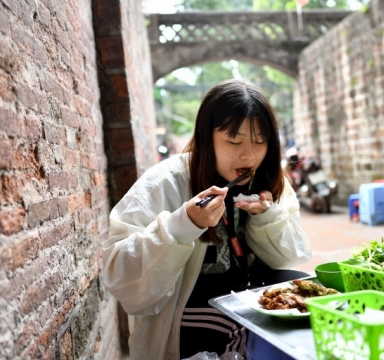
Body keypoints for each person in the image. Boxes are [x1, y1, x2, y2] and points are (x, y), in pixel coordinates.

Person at [102, 79, 312, 360]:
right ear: (206, 137)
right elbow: (121, 279)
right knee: (247, 331)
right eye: (234, 140)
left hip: (249, 292)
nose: (248, 154)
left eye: (259, 142)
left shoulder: (270, 183)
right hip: (184, 309)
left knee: (309, 299)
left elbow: (289, 258)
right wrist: (183, 224)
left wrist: (268, 219)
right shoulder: (165, 182)